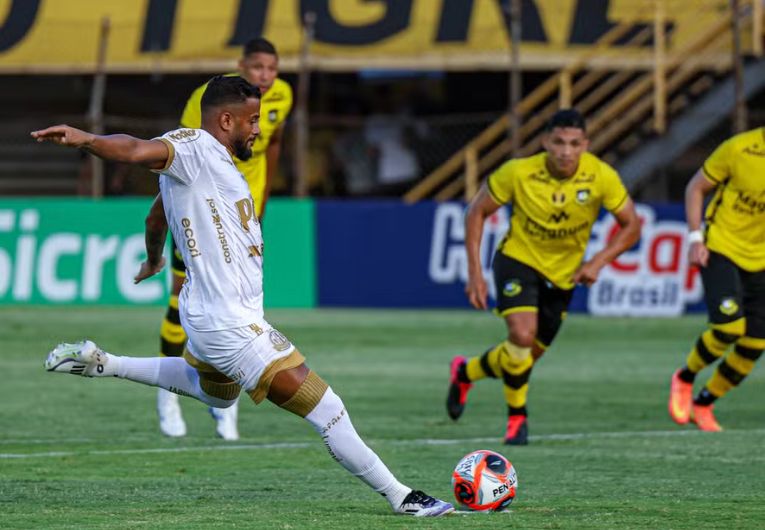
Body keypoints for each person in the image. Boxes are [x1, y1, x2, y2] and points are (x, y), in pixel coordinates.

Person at [33, 75, 453, 517]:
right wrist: (86, 138)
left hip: (213, 314)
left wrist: (154, 258)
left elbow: (156, 218)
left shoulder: (210, 167)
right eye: (252, 120)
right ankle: (402, 496)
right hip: (229, 321)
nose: (258, 128)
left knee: (218, 396)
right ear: (226, 118)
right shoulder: (192, 146)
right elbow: (137, 149)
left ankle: (104, 363)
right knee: (327, 410)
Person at [446, 109, 641, 445]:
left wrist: (598, 261)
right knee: (522, 335)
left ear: (586, 145)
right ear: (545, 142)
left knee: (523, 356)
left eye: (574, 144)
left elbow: (633, 225)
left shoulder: (601, 176)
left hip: (564, 277)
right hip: (517, 260)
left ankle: (467, 372)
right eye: (559, 142)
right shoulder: (518, 172)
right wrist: (475, 272)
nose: (566, 151)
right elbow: (476, 211)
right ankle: (517, 419)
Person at [150, 37, 293, 440]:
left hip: (245, 218)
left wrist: (262, 200)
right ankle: (168, 395)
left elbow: (274, 142)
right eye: (258, 68)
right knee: (182, 301)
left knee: (243, 309)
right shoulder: (204, 100)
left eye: (272, 68)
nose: (266, 76)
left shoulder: (283, 96)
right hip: (203, 213)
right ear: (242, 67)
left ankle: (226, 402)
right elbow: (183, 156)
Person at [668, 127, 765, 432]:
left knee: (755, 343)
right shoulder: (739, 148)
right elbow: (696, 188)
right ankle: (684, 377)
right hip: (721, 247)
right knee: (728, 328)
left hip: (761, 259)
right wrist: (696, 238)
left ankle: (705, 403)